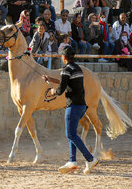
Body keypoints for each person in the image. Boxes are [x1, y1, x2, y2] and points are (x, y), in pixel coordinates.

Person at [42, 46, 98, 174]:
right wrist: (51, 80)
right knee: (71, 133)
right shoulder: (77, 69)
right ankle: (72, 161)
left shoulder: (66, 70)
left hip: (73, 105)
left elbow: (61, 90)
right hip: (81, 105)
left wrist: (52, 90)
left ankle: (90, 159)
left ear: (64, 57)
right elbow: (66, 82)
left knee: (71, 134)